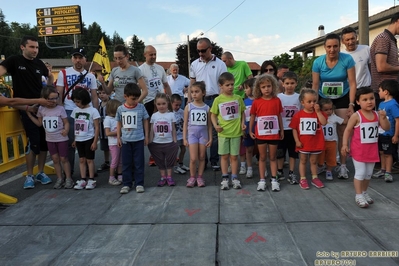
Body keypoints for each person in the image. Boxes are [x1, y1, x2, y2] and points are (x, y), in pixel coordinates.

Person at [0, 35, 55, 189]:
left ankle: (41, 171)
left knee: (44, 142)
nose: (35, 50)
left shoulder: (39, 64)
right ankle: (29, 174)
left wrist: (49, 84)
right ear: (22, 47)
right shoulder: (14, 60)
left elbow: (49, 82)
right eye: (31, 47)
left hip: (42, 107)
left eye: (37, 48)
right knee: (33, 141)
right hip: (26, 108)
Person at [312, 33, 356, 180]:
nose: (332, 49)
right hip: (324, 97)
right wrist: (314, 104)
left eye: (335, 46)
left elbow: (352, 83)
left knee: (342, 131)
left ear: (340, 45)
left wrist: (351, 103)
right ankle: (323, 162)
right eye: (329, 46)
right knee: (323, 130)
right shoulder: (318, 62)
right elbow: (315, 84)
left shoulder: (347, 59)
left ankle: (342, 165)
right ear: (324, 47)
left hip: (343, 96)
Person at [342, 87, 390, 208]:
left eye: (371, 99)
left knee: (368, 174)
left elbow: (386, 128)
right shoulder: (356, 116)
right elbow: (347, 130)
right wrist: (344, 144)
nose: (369, 102)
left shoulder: (377, 114)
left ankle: (364, 192)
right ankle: (358, 195)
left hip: (371, 151)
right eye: (365, 99)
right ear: (358, 102)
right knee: (361, 172)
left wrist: (383, 118)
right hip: (358, 150)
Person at [56, 48, 99, 177]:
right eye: (75, 57)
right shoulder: (63, 73)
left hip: (86, 111)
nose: (78, 60)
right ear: (72, 59)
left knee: (86, 140)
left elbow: (94, 96)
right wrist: (60, 112)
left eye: (80, 57)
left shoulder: (90, 76)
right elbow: (59, 93)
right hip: (69, 110)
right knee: (70, 141)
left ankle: (87, 168)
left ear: (85, 59)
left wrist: (96, 113)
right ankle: (69, 171)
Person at [190, 37, 227, 171]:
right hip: (199, 101)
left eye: (203, 51)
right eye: (198, 51)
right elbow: (192, 83)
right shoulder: (194, 64)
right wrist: (190, 100)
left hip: (216, 99)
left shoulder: (220, 64)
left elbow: (223, 84)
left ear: (210, 49)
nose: (200, 54)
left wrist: (223, 101)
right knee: (201, 129)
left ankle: (214, 160)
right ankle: (202, 160)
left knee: (215, 130)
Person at [26, 86, 73, 189]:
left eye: (55, 98)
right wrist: (29, 115)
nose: (53, 101)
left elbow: (66, 122)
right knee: (55, 159)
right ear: (44, 98)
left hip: (61, 138)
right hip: (50, 139)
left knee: (63, 158)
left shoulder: (60, 109)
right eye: (50, 99)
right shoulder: (42, 109)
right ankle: (59, 178)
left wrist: (66, 130)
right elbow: (39, 123)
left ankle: (68, 178)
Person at [211, 72, 246, 190]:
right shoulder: (218, 100)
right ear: (221, 86)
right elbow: (213, 115)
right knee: (224, 156)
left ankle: (235, 177)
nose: (230, 87)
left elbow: (242, 113)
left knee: (234, 156)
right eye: (227, 85)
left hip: (236, 132)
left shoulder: (238, 98)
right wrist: (216, 126)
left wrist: (242, 124)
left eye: (232, 84)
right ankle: (225, 178)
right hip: (223, 133)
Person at [249, 74, 283, 192]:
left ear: (273, 86)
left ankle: (274, 179)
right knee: (262, 157)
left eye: (269, 86)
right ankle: (262, 180)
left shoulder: (277, 100)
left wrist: (281, 130)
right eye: (263, 87)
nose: (266, 89)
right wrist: (250, 130)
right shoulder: (257, 102)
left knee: (273, 157)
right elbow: (253, 116)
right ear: (259, 88)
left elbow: (279, 116)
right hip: (261, 134)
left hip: (274, 134)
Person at [140, 45, 172, 166]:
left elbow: (166, 85)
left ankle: (167, 153)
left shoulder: (160, 68)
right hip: (149, 102)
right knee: (152, 130)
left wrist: (171, 99)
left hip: (163, 101)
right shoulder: (140, 69)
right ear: (145, 55)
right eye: (151, 54)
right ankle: (153, 155)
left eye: (155, 54)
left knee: (165, 127)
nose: (153, 57)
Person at [289, 88, 327, 190]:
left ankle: (315, 177)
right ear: (302, 102)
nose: (312, 104)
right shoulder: (298, 115)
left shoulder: (319, 113)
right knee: (303, 160)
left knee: (314, 161)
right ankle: (303, 178)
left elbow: (324, 122)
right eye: (309, 102)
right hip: (304, 142)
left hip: (316, 142)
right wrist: (297, 140)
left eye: (314, 101)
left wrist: (318, 112)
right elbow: (294, 129)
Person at [116, 83, 149, 194]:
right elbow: (119, 122)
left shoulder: (141, 107)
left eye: (137, 98)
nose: (135, 101)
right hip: (126, 140)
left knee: (139, 162)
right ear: (125, 96)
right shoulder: (120, 109)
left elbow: (145, 120)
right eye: (133, 99)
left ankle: (139, 183)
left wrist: (146, 136)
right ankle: (127, 184)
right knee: (126, 163)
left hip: (139, 139)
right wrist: (118, 137)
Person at [183, 82, 212, 187]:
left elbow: (209, 125)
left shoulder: (207, 108)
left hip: (203, 135)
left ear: (203, 93)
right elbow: (185, 123)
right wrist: (184, 138)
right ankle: (192, 177)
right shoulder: (189, 107)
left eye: (197, 92)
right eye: (192, 92)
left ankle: (200, 177)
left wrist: (210, 138)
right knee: (193, 158)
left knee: (202, 156)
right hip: (192, 135)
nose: (194, 94)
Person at [70, 88, 100, 190]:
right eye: (75, 102)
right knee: (81, 159)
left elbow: (97, 127)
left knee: (89, 160)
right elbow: (75, 125)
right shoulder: (75, 111)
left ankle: (91, 179)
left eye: (78, 101)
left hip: (89, 138)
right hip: (79, 138)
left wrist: (95, 141)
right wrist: (74, 139)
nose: (76, 104)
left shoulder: (93, 111)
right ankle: (83, 179)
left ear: (84, 99)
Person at [148, 93, 179, 187]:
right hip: (157, 142)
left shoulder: (171, 115)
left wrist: (175, 140)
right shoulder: (154, 116)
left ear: (167, 103)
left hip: (169, 142)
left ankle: (169, 177)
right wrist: (150, 140)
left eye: (163, 104)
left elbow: (173, 128)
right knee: (159, 161)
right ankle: (163, 177)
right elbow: (151, 129)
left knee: (170, 160)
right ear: (155, 104)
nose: (161, 106)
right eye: (159, 104)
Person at [372, 80, 399, 182]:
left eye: (379, 90)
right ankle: (383, 170)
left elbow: (397, 120)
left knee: (388, 153)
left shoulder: (393, 104)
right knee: (382, 152)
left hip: (389, 134)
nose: (378, 93)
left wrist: (396, 135)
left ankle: (388, 172)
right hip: (380, 133)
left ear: (386, 92)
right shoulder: (381, 104)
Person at [277, 71, 301, 185]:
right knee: (280, 152)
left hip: (294, 130)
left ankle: (291, 172)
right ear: (283, 84)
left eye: (292, 83)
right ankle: (280, 171)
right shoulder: (279, 97)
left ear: (296, 83)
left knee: (293, 153)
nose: (290, 85)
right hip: (282, 129)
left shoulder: (299, 97)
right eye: (287, 83)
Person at [370, 12, 399, 104]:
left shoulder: (390, 39)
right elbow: (381, 66)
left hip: (390, 90)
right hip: (385, 92)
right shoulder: (383, 39)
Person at [317, 98, 346, 181]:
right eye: (326, 110)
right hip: (321, 142)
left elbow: (344, 122)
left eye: (330, 109)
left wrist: (351, 117)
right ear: (321, 109)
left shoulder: (334, 117)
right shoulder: (319, 117)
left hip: (332, 142)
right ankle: (320, 167)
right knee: (320, 157)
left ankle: (329, 171)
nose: (329, 111)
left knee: (331, 157)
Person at [104, 99, 123, 186]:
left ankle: (120, 175)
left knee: (120, 160)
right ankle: (111, 177)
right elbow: (107, 133)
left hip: (120, 142)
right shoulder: (108, 119)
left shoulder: (118, 118)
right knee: (114, 161)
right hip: (113, 143)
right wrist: (119, 132)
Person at [171, 94, 190, 174]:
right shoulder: (170, 113)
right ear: (171, 103)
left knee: (183, 149)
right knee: (175, 151)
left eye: (179, 105)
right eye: (176, 105)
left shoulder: (182, 112)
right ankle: (175, 166)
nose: (178, 107)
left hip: (182, 134)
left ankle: (181, 163)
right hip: (175, 136)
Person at [242, 78, 256, 179]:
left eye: (246, 88)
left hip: (259, 129)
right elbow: (242, 116)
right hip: (248, 129)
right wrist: (243, 128)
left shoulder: (260, 101)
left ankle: (262, 168)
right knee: (249, 149)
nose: (245, 91)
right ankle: (249, 168)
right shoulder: (244, 101)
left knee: (261, 150)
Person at [97, 85, 110, 173]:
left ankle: (114, 162)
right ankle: (107, 161)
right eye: (100, 93)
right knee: (105, 147)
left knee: (112, 147)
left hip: (109, 129)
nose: (102, 95)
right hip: (102, 129)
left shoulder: (110, 103)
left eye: (104, 93)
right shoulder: (99, 104)